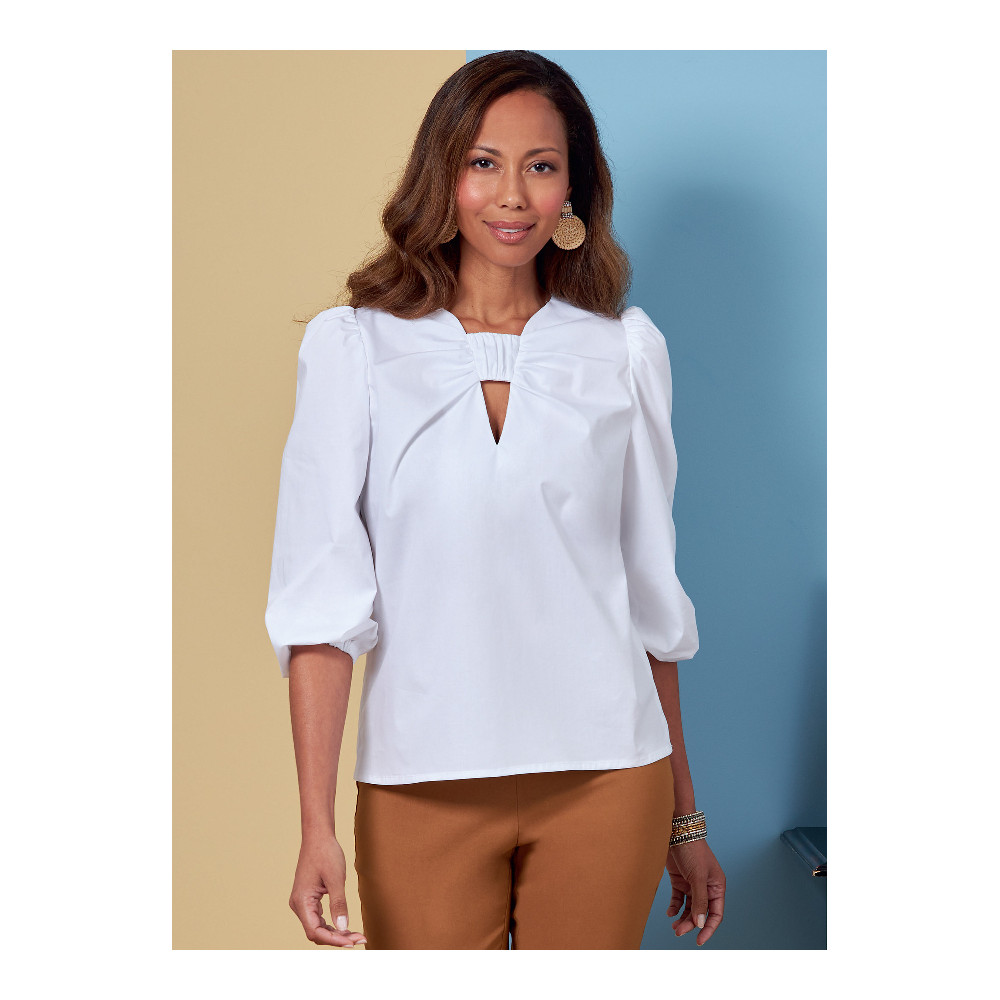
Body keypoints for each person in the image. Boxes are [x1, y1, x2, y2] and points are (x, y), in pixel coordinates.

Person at [265, 49, 726, 950]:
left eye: (541, 166)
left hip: (611, 776)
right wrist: (316, 825)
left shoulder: (623, 352)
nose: (513, 195)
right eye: (484, 162)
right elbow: (320, 608)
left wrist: (686, 817)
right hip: (421, 782)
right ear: (443, 175)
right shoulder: (355, 350)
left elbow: (648, 600)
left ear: (573, 189)